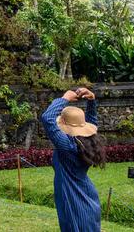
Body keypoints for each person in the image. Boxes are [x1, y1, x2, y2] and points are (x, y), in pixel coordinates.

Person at [41, 87, 106, 232]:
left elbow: (47, 118)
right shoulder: (87, 141)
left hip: (73, 198)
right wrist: (91, 100)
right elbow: (92, 122)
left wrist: (64, 98)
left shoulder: (67, 146)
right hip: (87, 197)